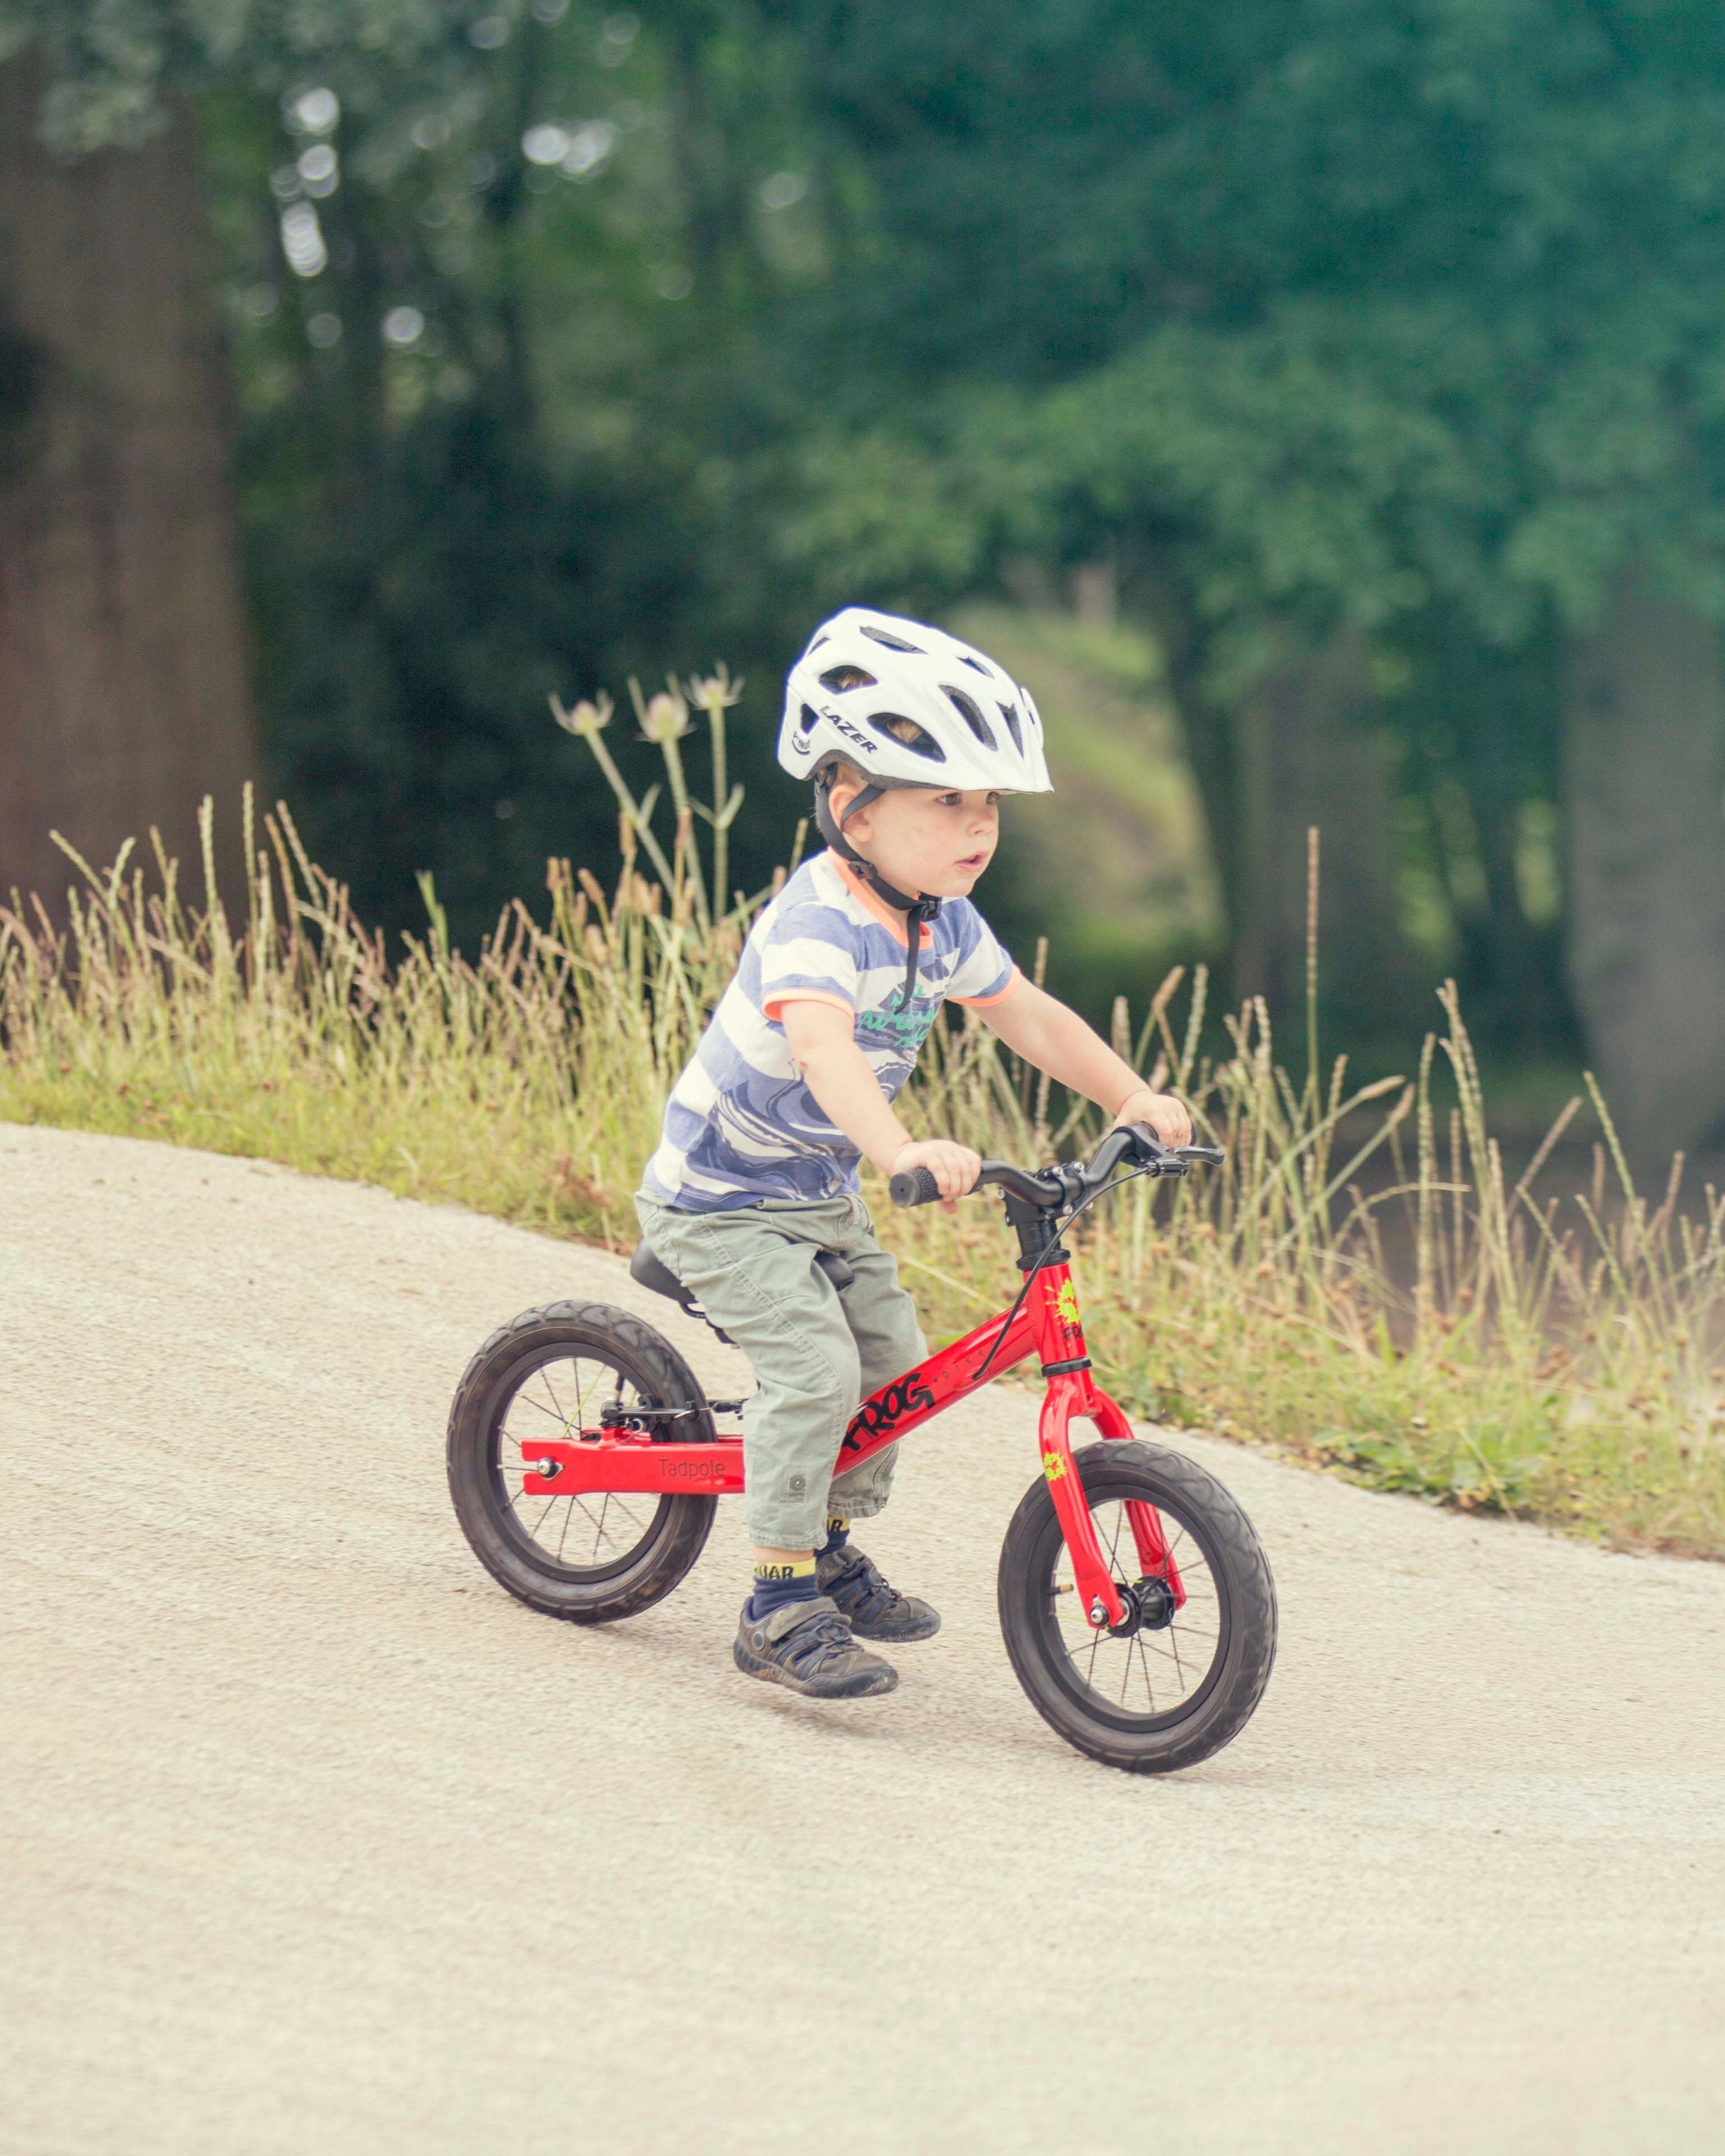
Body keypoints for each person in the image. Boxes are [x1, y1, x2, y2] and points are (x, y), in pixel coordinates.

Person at [633, 606, 1192, 1701]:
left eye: (988, 803)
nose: (979, 825)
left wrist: (1134, 1097)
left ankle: (828, 1543)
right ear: (853, 807)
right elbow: (825, 1049)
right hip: (723, 1200)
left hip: (815, 1198)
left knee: (897, 1367)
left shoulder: (942, 920)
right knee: (817, 1370)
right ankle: (777, 1598)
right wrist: (898, 1148)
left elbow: (1026, 1015)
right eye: (948, 801)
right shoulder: (816, 923)